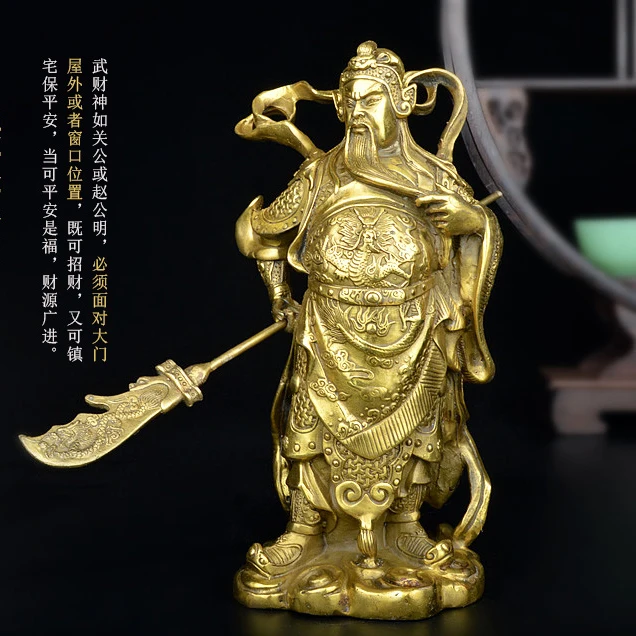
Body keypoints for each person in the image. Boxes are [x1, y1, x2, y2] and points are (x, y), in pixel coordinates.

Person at [234, 41, 501, 609]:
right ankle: (304, 528)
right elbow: (262, 234)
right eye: (350, 100)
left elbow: (477, 232)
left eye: (372, 98)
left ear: (401, 103)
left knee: (420, 426)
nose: (358, 111)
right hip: (330, 324)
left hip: (415, 325)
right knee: (310, 422)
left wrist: (473, 222)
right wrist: (280, 296)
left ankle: (406, 525)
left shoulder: (434, 175)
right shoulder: (321, 175)